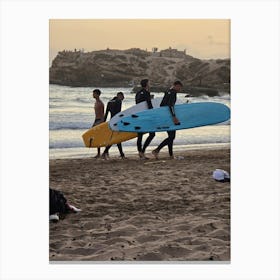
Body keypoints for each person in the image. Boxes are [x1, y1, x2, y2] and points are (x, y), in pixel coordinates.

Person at [152, 81, 183, 159]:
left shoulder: (167, 92)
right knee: (172, 136)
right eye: (179, 87)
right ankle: (157, 150)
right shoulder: (173, 93)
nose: (180, 89)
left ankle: (171, 155)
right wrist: (174, 116)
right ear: (176, 86)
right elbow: (171, 105)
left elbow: (161, 105)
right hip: (169, 117)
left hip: (165, 116)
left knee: (171, 136)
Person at [101, 92, 126, 159]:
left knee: (117, 139)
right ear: (119, 96)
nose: (123, 98)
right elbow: (118, 114)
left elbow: (106, 114)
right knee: (115, 139)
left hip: (111, 122)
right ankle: (105, 152)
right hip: (116, 122)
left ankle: (122, 154)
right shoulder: (119, 101)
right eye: (123, 96)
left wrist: (103, 123)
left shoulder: (110, 102)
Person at [135, 79, 155, 159]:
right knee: (152, 134)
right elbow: (149, 105)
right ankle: (142, 152)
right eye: (149, 83)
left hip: (138, 115)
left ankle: (140, 152)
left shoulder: (138, 93)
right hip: (146, 116)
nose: (150, 84)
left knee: (140, 135)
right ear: (146, 84)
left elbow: (137, 105)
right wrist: (153, 114)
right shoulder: (146, 93)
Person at [92, 89, 104, 158]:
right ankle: (99, 153)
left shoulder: (100, 103)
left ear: (97, 94)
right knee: (97, 137)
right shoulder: (96, 102)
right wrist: (94, 122)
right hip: (96, 120)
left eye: (94, 94)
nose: (93, 95)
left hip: (99, 121)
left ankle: (100, 153)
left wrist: (101, 123)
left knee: (98, 137)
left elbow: (102, 114)